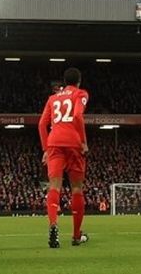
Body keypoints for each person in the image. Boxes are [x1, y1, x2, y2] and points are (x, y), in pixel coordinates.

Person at [38, 67, 89, 248]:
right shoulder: (81, 94)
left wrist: (45, 149)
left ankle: (53, 225)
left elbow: (42, 124)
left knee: (54, 187)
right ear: (79, 81)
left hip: (54, 143)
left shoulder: (53, 98)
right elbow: (77, 115)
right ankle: (76, 236)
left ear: (65, 81)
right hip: (73, 143)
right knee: (76, 188)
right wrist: (83, 141)